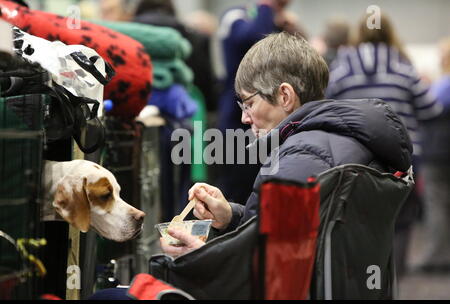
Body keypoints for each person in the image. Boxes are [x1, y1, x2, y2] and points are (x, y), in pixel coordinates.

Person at [160, 31, 413, 257]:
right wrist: (231, 216)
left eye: (249, 103)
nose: (244, 118)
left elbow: (269, 267)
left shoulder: (299, 159)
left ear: (285, 96)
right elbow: (281, 235)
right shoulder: (342, 140)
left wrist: (200, 254)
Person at [324, 12, 443, 277]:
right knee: (400, 220)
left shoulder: (343, 67)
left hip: (354, 158)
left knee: (358, 218)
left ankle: (362, 279)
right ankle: (394, 278)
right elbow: (431, 108)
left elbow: (325, 106)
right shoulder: (403, 66)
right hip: (403, 158)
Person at [216, 0, 294, 206]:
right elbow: (254, 38)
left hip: (269, 119)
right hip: (237, 117)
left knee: (264, 184)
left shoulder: (271, 20)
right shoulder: (235, 15)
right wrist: (266, 7)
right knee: (238, 187)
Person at [415, 37, 450, 273]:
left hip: (438, 153)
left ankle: (437, 257)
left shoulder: (445, 83)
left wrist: (423, 87)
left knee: (436, 204)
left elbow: (431, 107)